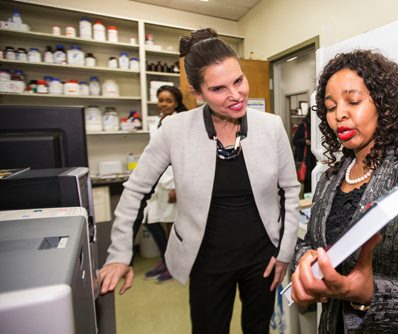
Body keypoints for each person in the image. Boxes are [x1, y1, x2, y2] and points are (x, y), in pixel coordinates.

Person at [98, 28, 300, 333]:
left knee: (257, 329)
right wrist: (119, 253)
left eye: (238, 80)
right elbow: (136, 190)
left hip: (263, 259)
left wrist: (285, 252)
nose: (236, 95)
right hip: (205, 261)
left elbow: (290, 191)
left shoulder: (271, 126)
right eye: (219, 88)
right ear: (197, 93)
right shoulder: (174, 130)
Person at [290, 50, 398, 333]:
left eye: (353, 101)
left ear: (384, 105)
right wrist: (306, 262)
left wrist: (370, 293)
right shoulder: (329, 177)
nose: (340, 115)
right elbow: (309, 242)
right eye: (331, 106)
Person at [133, 85, 187, 284]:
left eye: (168, 101)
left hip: (173, 181)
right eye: (161, 100)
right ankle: (166, 260)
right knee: (153, 219)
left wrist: (178, 187)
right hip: (159, 181)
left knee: (174, 226)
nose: (163, 104)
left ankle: (174, 265)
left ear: (176, 103)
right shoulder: (158, 121)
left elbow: (182, 155)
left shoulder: (179, 122)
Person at [292, 108, 316, 194]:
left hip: (315, 158)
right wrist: (305, 141)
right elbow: (295, 141)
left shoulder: (318, 125)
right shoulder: (304, 125)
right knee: (308, 182)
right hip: (306, 159)